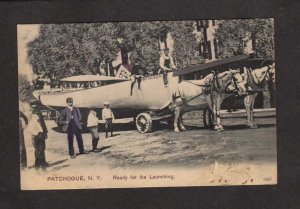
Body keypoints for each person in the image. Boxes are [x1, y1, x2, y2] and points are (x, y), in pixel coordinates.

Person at [27, 102, 48, 170]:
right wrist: (36, 133)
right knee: (38, 150)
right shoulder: (33, 121)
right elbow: (29, 129)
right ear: (34, 114)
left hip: (41, 135)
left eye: (39, 114)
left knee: (42, 149)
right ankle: (37, 165)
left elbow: (44, 127)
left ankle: (43, 163)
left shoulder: (41, 120)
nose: (38, 115)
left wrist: (45, 133)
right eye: (37, 114)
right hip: (36, 136)